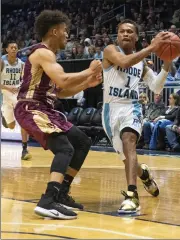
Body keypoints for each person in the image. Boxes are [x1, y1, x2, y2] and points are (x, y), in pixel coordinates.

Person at [14, 10, 102, 220]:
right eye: (65, 31)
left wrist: (86, 84)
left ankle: (62, 192)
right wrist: (89, 71)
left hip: (46, 109)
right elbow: (62, 80)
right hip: (31, 107)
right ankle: (48, 200)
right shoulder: (43, 53)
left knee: (82, 142)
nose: (67, 35)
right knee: (64, 147)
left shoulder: (50, 57)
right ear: (54, 31)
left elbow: (60, 91)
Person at [102, 19, 171, 213]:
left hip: (131, 107)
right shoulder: (110, 51)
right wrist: (152, 47)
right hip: (110, 110)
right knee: (126, 158)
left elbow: (156, 87)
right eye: (122, 31)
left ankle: (132, 195)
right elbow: (124, 62)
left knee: (129, 140)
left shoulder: (141, 63)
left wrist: (166, 64)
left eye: (130, 31)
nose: (125, 34)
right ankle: (144, 174)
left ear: (136, 37)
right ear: (118, 35)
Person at [1, 41, 31, 160]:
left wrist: (21, 86)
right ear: (6, 50)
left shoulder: (22, 64)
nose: (14, 49)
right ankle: (4, 116)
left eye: (16, 47)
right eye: (11, 47)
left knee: (23, 120)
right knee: (11, 126)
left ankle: (24, 149)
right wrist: (8, 87)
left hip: (17, 95)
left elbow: (26, 80)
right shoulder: (2, 62)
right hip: (6, 94)